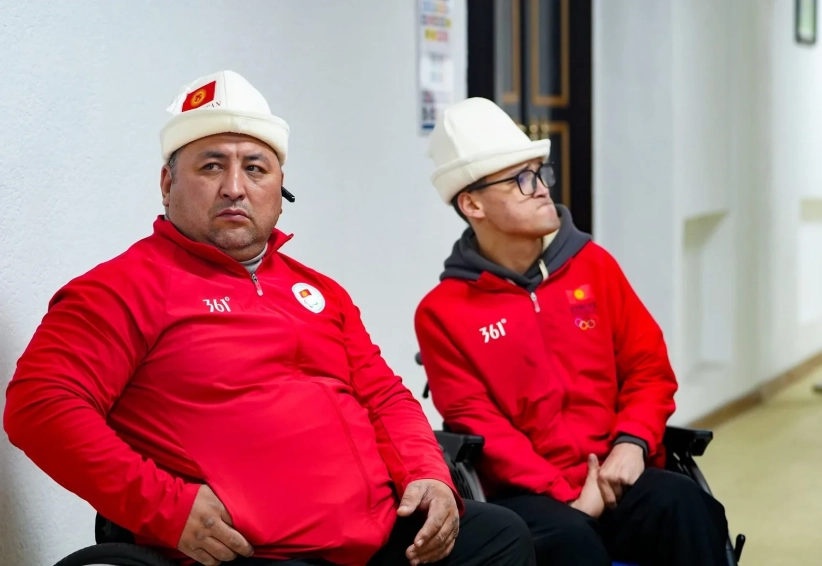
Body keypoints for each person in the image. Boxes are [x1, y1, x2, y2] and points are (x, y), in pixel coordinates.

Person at [3, 73, 535, 566]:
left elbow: (384, 397)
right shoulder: (121, 288)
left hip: (379, 533)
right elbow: (40, 406)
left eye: (255, 168)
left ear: (280, 190)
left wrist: (428, 474)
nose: (234, 187)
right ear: (167, 184)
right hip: (256, 553)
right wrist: (168, 507)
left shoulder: (321, 291)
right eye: (211, 166)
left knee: (501, 535)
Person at [414, 97, 730, 566]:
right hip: (528, 494)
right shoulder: (442, 312)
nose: (541, 189)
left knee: (687, 506)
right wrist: (568, 495)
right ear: (472, 203)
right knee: (569, 541)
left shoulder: (594, 267)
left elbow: (648, 369)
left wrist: (632, 444)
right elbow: (481, 425)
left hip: (619, 468)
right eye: (520, 179)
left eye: (540, 173)